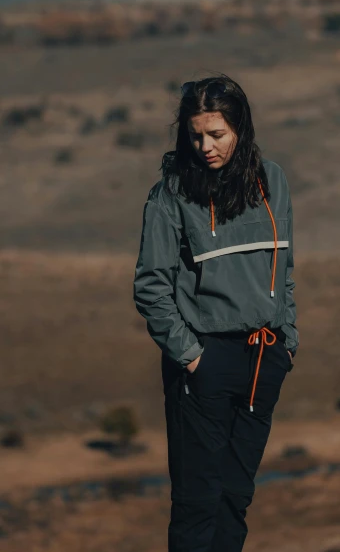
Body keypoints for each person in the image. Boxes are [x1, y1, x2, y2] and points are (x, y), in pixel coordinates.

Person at [133, 74, 299, 552]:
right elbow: (151, 286)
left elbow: (283, 266)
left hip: (263, 359)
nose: (205, 146)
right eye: (195, 135)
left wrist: (287, 339)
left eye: (217, 135)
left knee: (235, 500)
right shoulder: (171, 195)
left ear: (240, 129)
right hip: (204, 363)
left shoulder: (275, 181)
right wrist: (191, 356)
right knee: (196, 504)